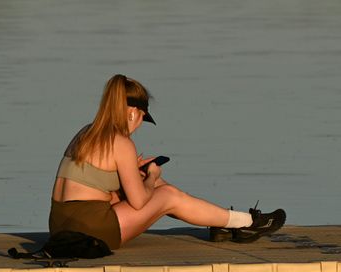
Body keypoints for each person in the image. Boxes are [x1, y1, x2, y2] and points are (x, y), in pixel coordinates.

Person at [49, 74, 285, 252]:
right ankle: (246, 222)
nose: (139, 124)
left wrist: (135, 173)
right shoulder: (121, 142)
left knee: (158, 187)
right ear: (132, 112)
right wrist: (151, 175)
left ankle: (225, 223)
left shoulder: (85, 133)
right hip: (90, 231)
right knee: (168, 195)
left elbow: (90, 190)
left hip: (59, 226)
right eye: (142, 117)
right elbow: (140, 202)